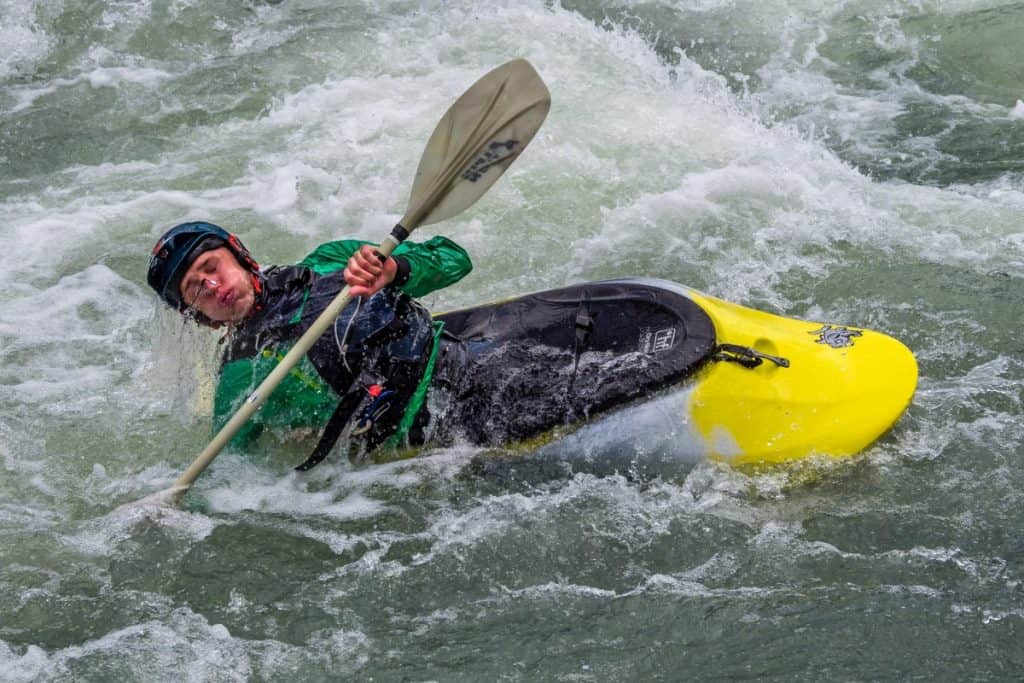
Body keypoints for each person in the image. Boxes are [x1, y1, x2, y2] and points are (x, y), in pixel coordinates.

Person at [147, 221, 472, 469]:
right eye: (197, 288)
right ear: (196, 314)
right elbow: (223, 469)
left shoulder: (330, 262)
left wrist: (394, 269)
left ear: (239, 254)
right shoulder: (241, 376)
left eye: (212, 267)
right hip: (434, 428)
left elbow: (455, 259)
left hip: (458, 361)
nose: (214, 286)